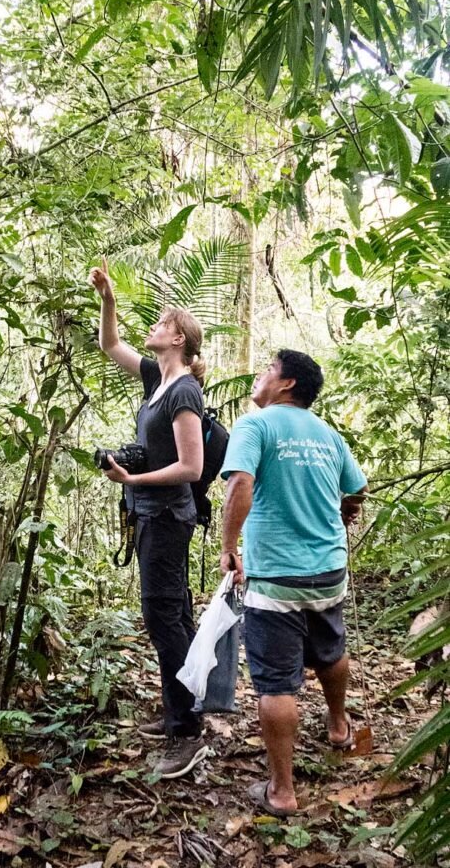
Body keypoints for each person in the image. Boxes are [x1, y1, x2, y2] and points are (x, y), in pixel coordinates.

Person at [219, 349, 367, 817]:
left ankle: (281, 791)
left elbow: (240, 483)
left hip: (276, 576)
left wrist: (229, 546)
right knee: (331, 648)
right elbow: (356, 485)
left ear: (286, 384)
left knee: (276, 685)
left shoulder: (255, 425)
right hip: (328, 570)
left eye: (268, 369)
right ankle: (339, 727)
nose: (260, 377)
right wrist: (344, 513)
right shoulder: (328, 434)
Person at [88, 257, 208, 779]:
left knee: (164, 616)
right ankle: (180, 708)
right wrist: (107, 299)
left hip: (167, 515)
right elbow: (110, 345)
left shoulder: (184, 392)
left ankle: (187, 732)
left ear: (178, 338)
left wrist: (132, 480)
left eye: (161, 324)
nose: (153, 329)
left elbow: (191, 466)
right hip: (152, 515)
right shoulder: (157, 379)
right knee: (174, 612)